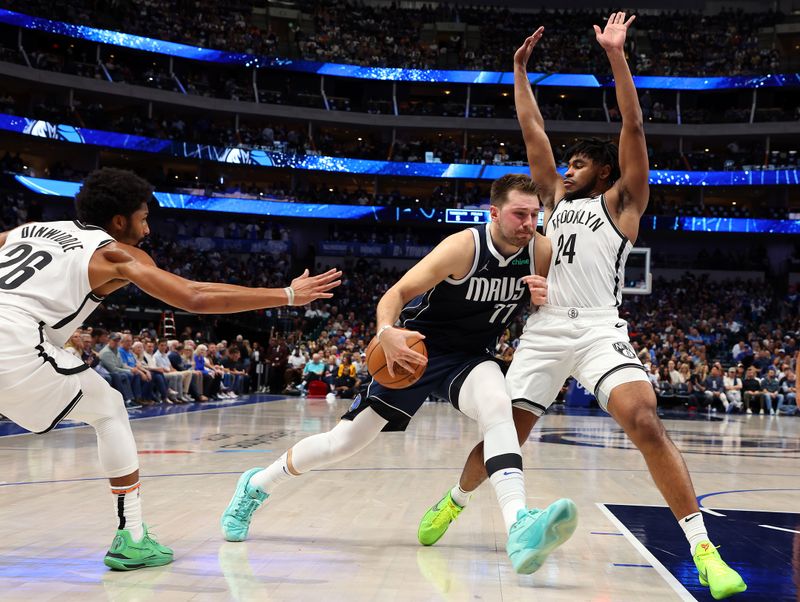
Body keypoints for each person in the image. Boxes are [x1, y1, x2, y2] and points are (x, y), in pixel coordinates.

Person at [417, 17, 746, 599]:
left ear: (602, 171)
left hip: (598, 328)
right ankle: (455, 500)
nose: (565, 168)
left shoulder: (624, 202)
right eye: (564, 164)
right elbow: (531, 127)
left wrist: (616, 56)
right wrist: (518, 72)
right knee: (506, 432)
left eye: (577, 163)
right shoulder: (553, 198)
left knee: (644, 420)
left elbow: (634, 126)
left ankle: (704, 551)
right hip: (543, 330)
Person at [220, 173, 576, 575]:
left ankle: (519, 524)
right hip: (417, 351)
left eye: (534, 215)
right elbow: (396, 294)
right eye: (518, 214)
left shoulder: (541, 250)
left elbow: (551, 306)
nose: (528, 224)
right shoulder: (463, 247)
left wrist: (542, 300)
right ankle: (255, 486)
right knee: (344, 442)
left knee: (499, 407)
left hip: (472, 357)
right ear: (494, 214)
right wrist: (386, 332)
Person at [0, 167, 341, 571]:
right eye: (143, 218)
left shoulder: (27, 230)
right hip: (15, 339)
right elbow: (193, 296)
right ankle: (133, 537)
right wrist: (285, 294)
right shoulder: (112, 252)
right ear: (119, 221)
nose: (147, 230)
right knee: (108, 407)